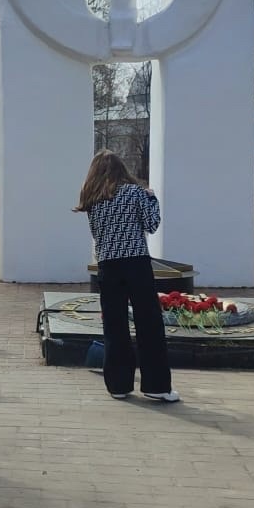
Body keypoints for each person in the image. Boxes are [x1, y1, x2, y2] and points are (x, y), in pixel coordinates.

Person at [74, 150, 179, 403]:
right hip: (136, 264)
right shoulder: (135, 193)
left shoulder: (92, 200)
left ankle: (118, 385)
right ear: (122, 169)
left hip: (108, 266)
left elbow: (96, 234)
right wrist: (152, 199)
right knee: (148, 323)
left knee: (114, 325)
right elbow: (151, 224)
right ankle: (156, 386)